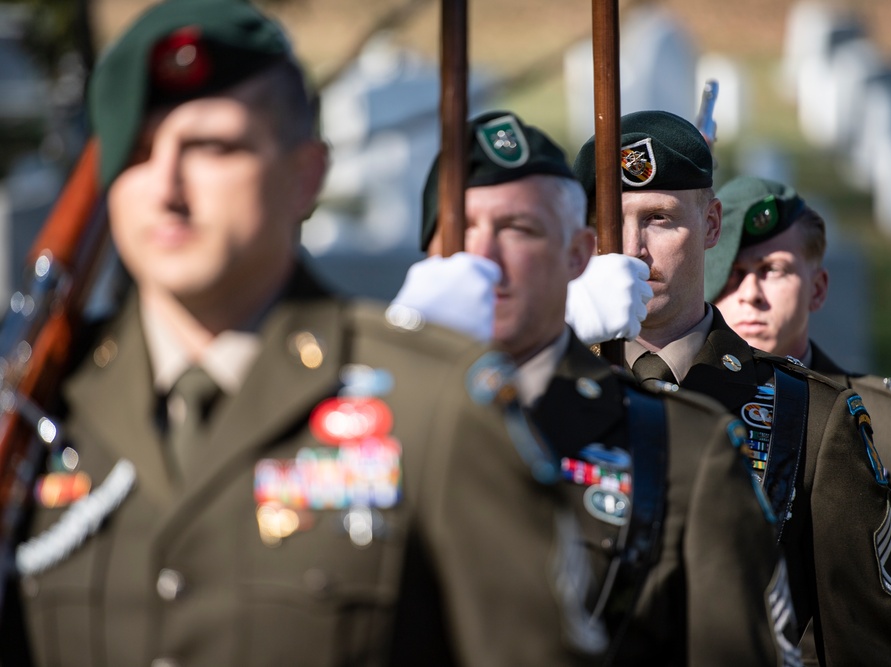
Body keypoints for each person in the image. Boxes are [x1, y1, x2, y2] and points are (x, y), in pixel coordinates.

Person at [0, 2, 604, 665]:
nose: (166, 187)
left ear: (306, 174)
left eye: (211, 146)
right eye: (139, 153)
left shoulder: (437, 408)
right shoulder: (45, 406)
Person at [396, 109, 797, 665]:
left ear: (578, 255)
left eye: (519, 229)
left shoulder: (687, 450)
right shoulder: (354, 418)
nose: (485, 257)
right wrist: (406, 354)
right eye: (461, 230)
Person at [573, 110, 891, 666]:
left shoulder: (809, 414)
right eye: (613, 223)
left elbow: (866, 648)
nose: (635, 249)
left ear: (711, 225)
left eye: (661, 219)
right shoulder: (550, 396)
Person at [709, 174, 891, 667]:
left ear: (818, 288)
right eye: (730, 275)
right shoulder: (681, 414)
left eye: (772, 269)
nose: (749, 293)